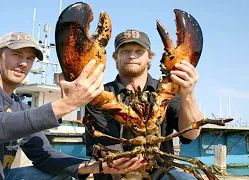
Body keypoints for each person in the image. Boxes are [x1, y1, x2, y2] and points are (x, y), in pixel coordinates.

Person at [0, 31, 145, 180]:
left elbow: (44, 155)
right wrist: (68, 103)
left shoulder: (18, 106)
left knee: (61, 174)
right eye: (16, 54)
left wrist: (99, 167)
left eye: (30, 58)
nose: (23, 63)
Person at [84, 29, 204, 180]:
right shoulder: (98, 96)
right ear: (115, 56)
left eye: (139, 51)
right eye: (125, 51)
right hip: (116, 175)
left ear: (150, 56)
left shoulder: (166, 91)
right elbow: (110, 154)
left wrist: (187, 93)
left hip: (163, 173)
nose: (132, 55)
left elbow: (191, 134)